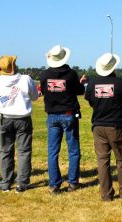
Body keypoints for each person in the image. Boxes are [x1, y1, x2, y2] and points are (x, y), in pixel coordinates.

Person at [85, 53, 122, 201]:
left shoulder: (92, 84)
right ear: (114, 67)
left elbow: (90, 101)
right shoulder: (120, 83)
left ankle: (106, 194)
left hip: (98, 126)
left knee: (102, 161)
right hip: (117, 126)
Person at [39, 44, 87, 194]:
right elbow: (79, 91)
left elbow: (45, 90)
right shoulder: (71, 74)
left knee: (53, 151)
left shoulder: (45, 75)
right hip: (68, 114)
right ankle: (72, 182)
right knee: (73, 149)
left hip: (52, 115)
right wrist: (81, 82)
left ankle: (54, 184)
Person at [0, 55, 39, 192]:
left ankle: (6, 182)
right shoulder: (26, 79)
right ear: (14, 66)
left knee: (5, 151)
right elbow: (35, 96)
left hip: (5, 118)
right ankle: (22, 183)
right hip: (23, 119)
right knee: (24, 151)